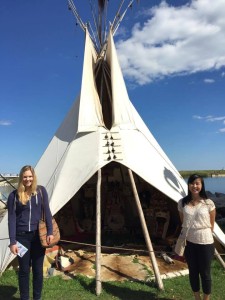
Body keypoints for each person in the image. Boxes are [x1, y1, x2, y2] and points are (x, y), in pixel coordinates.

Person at [8, 165, 54, 300]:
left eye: (30, 176)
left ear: (33, 177)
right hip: (21, 238)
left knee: (38, 271)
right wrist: (12, 241)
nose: (28, 179)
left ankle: (37, 298)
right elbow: (11, 219)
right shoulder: (13, 195)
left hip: (38, 237)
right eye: (25, 176)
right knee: (23, 270)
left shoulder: (41, 191)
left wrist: (50, 231)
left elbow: (47, 212)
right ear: (21, 178)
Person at [178, 174, 216, 300]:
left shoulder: (208, 203)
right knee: (193, 272)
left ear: (201, 185)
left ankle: (206, 299)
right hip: (189, 242)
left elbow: (211, 224)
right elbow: (183, 222)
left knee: (205, 273)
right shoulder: (182, 203)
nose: (195, 186)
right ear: (188, 185)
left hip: (205, 242)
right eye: (192, 183)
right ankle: (197, 298)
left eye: (197, 183)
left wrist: (202, 233)